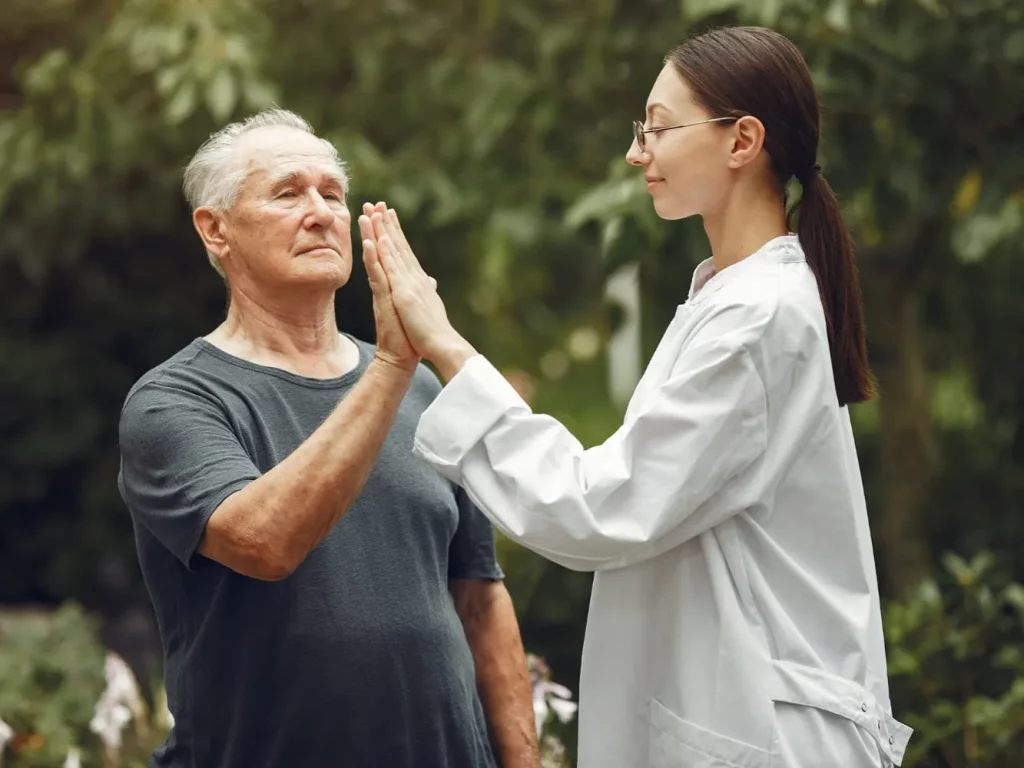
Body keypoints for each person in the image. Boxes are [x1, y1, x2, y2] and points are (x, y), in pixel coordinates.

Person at [361, 26, 913, 768]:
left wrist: (446, 345)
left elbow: (602, 506)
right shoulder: (733, 297)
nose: (635, 152)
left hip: (769, 734)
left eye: (658, 126)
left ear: (742, 140)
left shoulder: (758, 316)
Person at [116, 109, 538, 768]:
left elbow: (479, 597)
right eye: (287, 193)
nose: (320, 212)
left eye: (333, 194)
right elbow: (267, 542)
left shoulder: (423, 392)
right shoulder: (175, 401)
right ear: (216, 229)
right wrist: (395, 367)